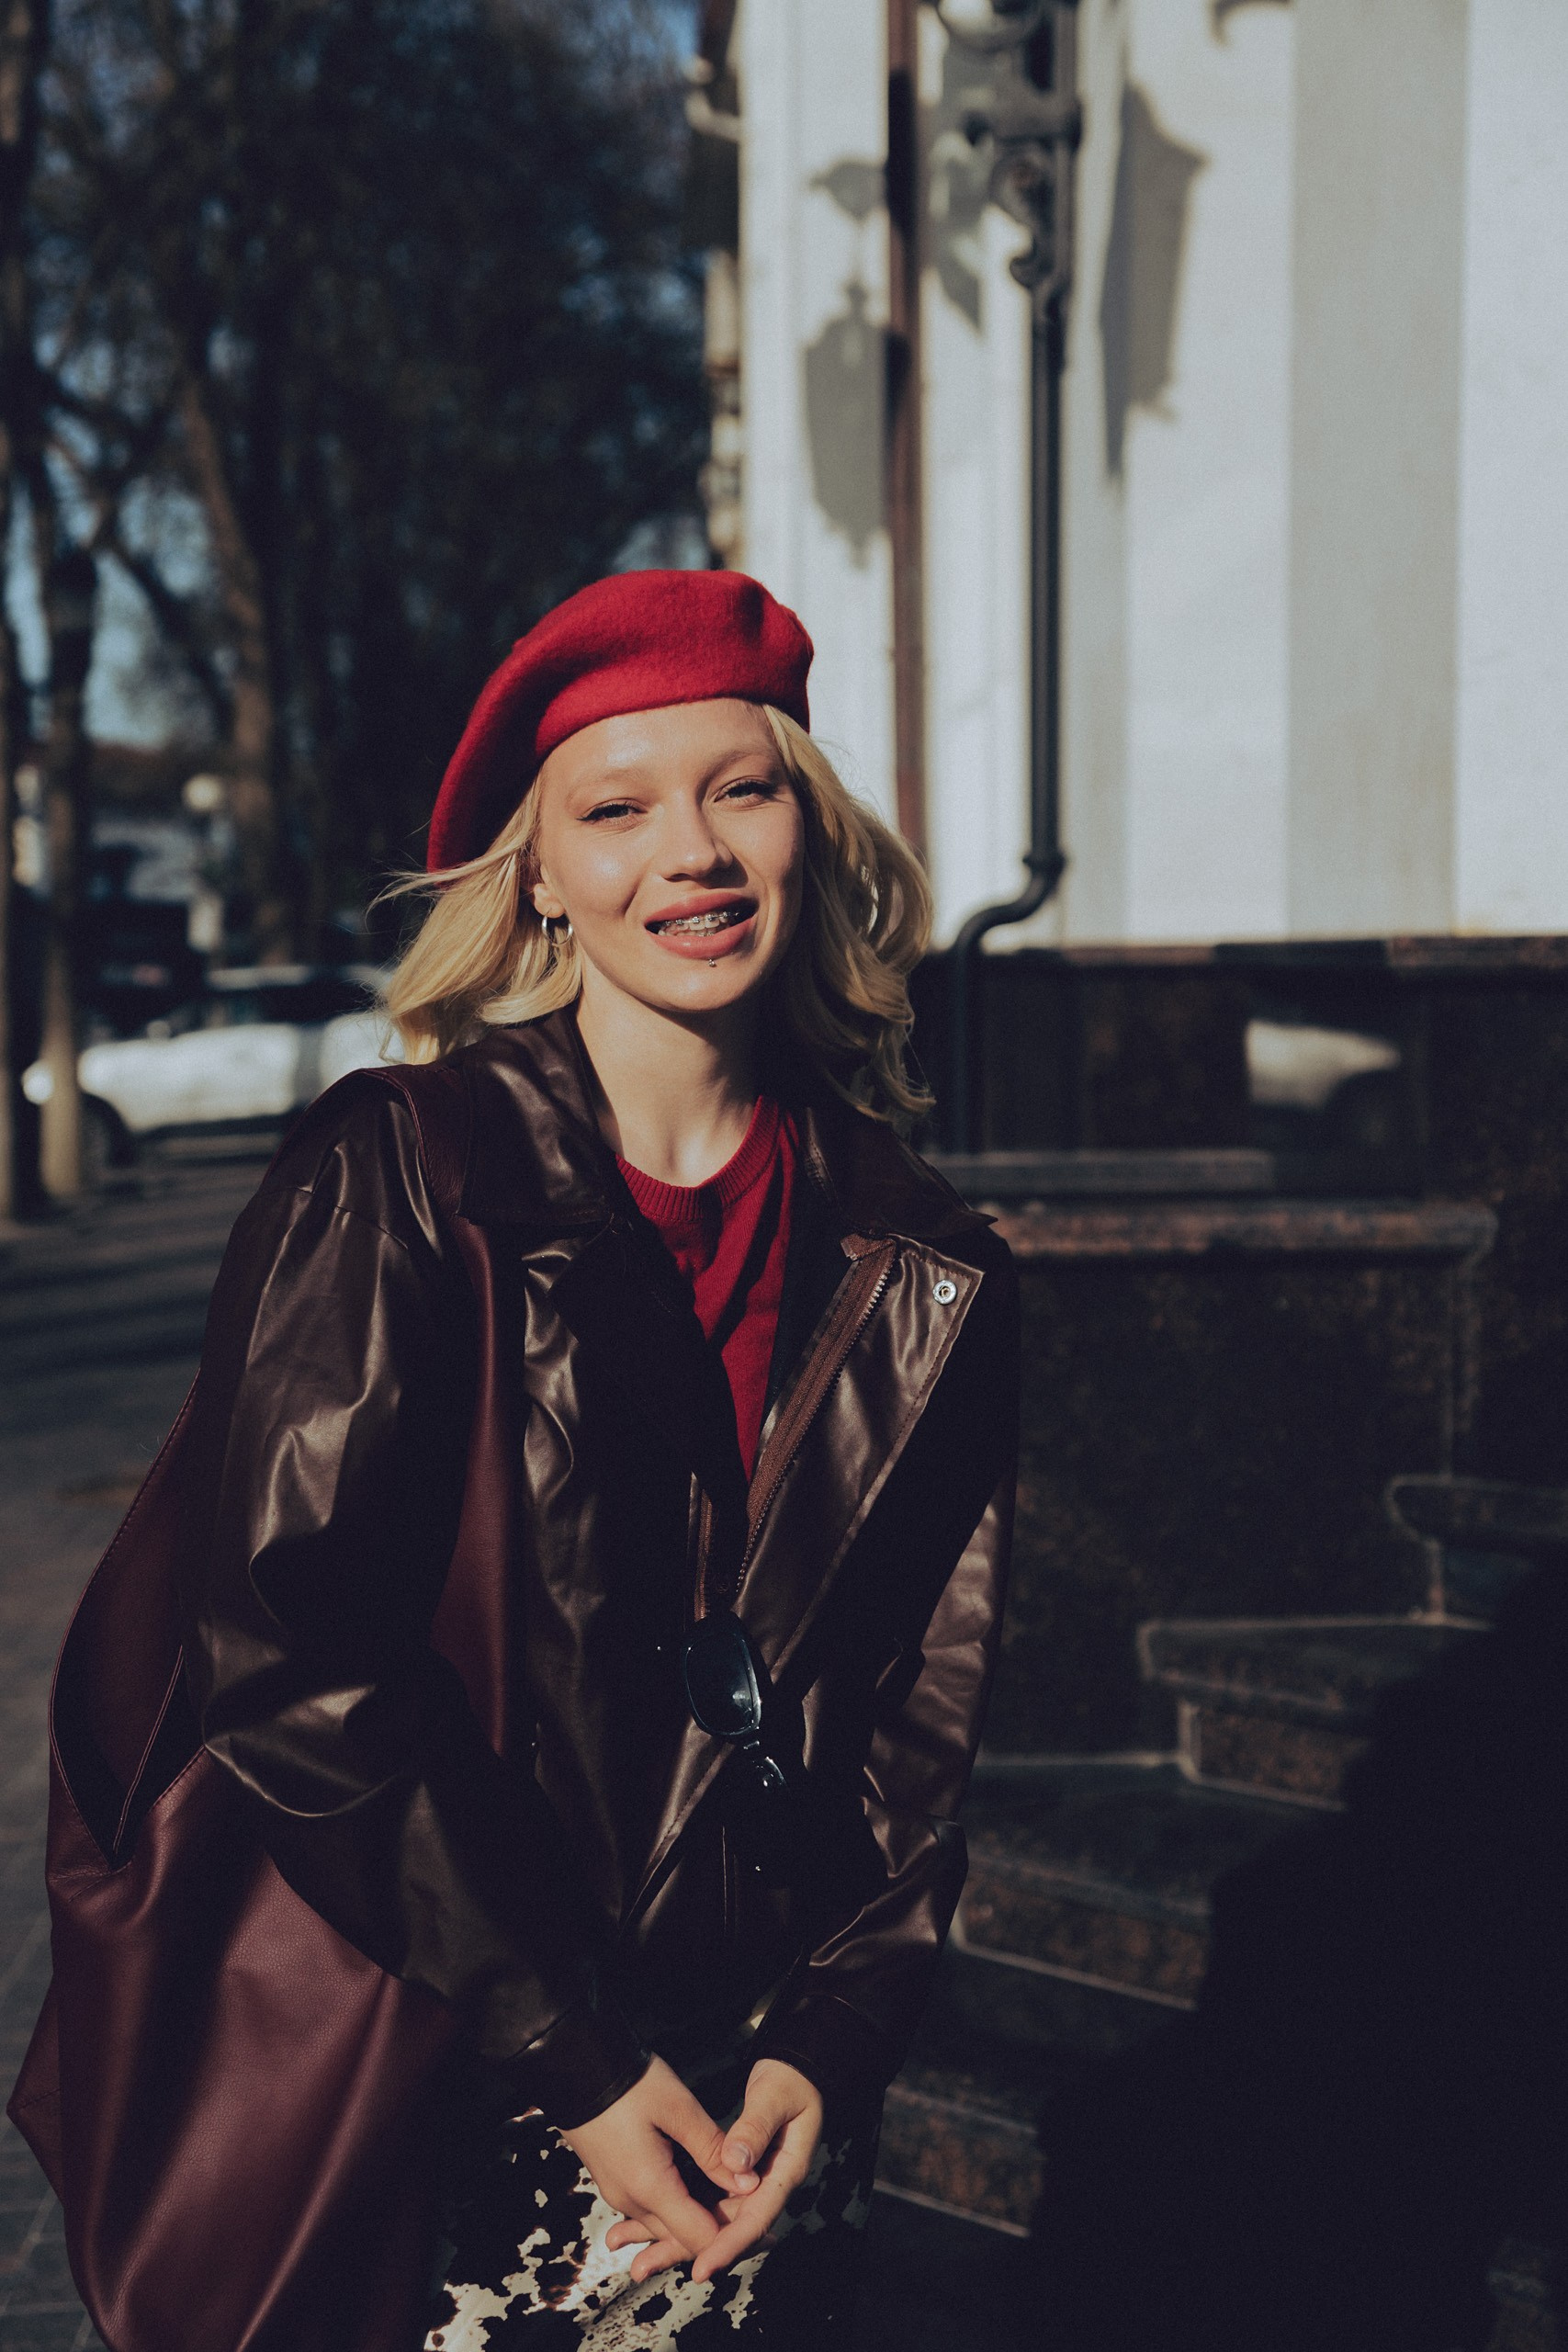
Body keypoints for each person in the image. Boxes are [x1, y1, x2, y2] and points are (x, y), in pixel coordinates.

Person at [30, 569, 1019, 2352]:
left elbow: (912, 1707)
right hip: (452, 2061)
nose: (692, 852)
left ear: (806, 824)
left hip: (755, 2095)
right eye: (617, 809)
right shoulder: (407, 1174)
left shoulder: (922, 1257)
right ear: (541, 874)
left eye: (740, 788)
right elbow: (286, 1654)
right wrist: (574, 2052)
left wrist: (836, 2030)